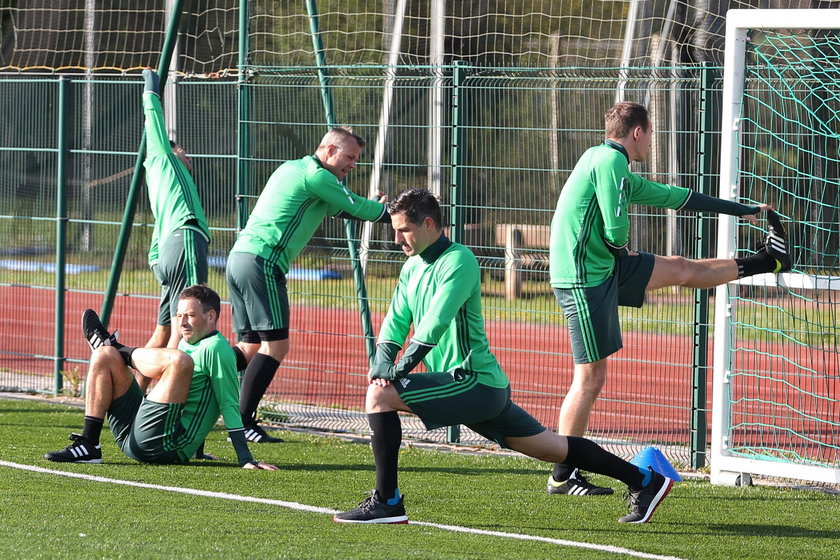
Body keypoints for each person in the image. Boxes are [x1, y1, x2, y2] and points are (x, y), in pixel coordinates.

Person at [333, 188, 673, 525]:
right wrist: (383, 358)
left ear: (428, 223)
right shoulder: (411, 268)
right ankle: (645, 481)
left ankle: (387, 502)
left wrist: (400, 367)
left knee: (380, 396)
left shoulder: (459, 259)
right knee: (552, 449)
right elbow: (395, 320)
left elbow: (437, 319)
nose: (397, 239)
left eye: (403, 230)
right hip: (474, 390)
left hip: (472, 383)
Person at [545, 101, 792, 496]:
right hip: (583, 278)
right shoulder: (610, 163)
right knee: (590, 378)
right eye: (651, 134)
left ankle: (767, 261)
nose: (652, 142)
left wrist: (742, 210)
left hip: (602, 266)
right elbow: (616, 228)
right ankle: (563, 474)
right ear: (637, 133)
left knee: (680, 268)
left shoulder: (611, 164)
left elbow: (677, 197)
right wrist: (619, 247)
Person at [226, 126, 389, 443]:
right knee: (276, 346)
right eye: (350, 157)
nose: (353, 165)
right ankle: (243, 421)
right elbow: (358, 208)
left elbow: (343, 207)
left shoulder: (295, 168)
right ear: (329, 149)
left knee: (248, 347)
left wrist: (370, 206)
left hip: (239, 258)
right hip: (263, 262)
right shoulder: (317, 176)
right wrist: (397, 212)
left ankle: (199, 379)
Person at [45, 285, 277, 470]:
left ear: (211, 316)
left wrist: (245, 458)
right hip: (139, 433)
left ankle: (119, 347)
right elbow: (195, 401)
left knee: (178, 360)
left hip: (164, 445)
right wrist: (198, 451)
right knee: (104, 355)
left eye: (190, 315)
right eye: (179, 316)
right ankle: (89, 444)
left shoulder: (217, 349)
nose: (183, 321)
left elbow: (227, 403)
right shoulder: (190, 341)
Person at [141, 68, 213, 351]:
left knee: (164, 332)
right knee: (192, 326)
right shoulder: (162, 157)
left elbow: (158, 234)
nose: (188, 154)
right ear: (171, 149)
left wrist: (158, 266)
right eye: (182, 149)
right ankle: (175, 390)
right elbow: (153, 117)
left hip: (169, 250)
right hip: (185, 239)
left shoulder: (163, 182)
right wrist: (151, 85)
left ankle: (138, 392)